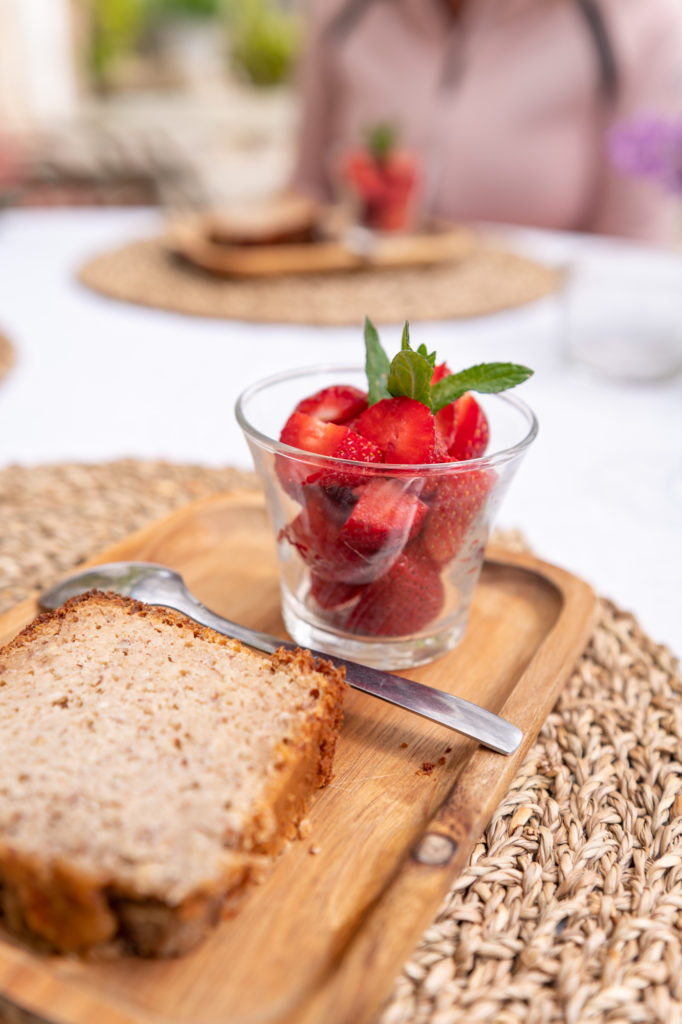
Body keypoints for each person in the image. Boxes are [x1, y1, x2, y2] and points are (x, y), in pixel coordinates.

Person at [289, 0, 682, 245]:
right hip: (364, 305)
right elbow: (305, 195)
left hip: (542, 333)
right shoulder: (340, 11)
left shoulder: (635, 19)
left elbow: (632, 249)